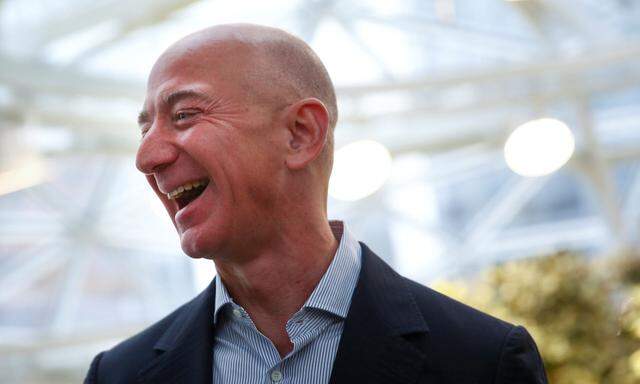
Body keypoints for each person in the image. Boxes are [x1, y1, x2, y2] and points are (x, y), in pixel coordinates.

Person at [84, 23, 548, 384]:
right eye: (145, 128)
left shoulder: (483, 362)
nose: (147, 157)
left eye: (184, 115)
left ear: (300, 134)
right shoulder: (117, 375)